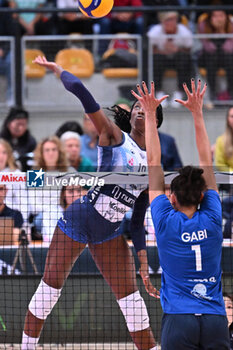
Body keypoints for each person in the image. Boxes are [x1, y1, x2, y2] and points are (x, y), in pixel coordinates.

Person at [21, 56, 161, 350]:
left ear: (155, 120)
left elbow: (137, 219)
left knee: (132, 302)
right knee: (49, 290)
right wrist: (59, 71)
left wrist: (144, 261)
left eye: (145, 109)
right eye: (135, 107)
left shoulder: (154, 164)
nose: (139, 111)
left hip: (110, 232)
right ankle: (26, 347)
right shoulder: (115, 137)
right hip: (80, 218)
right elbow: (87, 97)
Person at [132, 79, 230, 349]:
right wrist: (198, 113)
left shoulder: (165, 220)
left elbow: (153, 161)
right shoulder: (211, 217)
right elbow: (206, 161)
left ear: (170, 197)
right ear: (202, 196)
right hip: (215, 321)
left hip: (179, 320)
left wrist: (150, 114)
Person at [147, 11, 193, 108]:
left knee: (184, 58)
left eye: (173, 20)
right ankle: (158, 92)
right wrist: (163, 51)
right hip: (162, 58)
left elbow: (189, 49)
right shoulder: (155, 31)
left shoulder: (184, 31)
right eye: (167, 20)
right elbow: (150, 49)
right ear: (162, 21)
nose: (170, 23)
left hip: (177, 58)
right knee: (156, 60)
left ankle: (180, 92)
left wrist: (177, 49)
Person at [198, 10, 233, 102]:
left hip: (227, 56)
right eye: (215, 16)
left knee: (230, 60)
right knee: (211, 60)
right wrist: (216, 32)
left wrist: (221, 31)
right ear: (210, 18)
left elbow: (229, 48)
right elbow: (208, 47)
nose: (219, 19)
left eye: (221, 16)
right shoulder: (204, 25)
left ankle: (231, 92)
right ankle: (212, 93)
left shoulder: (231, 24)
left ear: (226, 17)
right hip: (209, 56)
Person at [0, 107, 37, 171]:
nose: (20, 128)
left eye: (24, 125)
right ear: (9, 123)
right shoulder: (1, 140)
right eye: (18, 124)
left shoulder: (31, 142)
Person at [215, 106, 233, 171]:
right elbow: (220, 164)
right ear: (227, 119)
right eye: (232, 116)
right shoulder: (220, 141)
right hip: (230, 179)